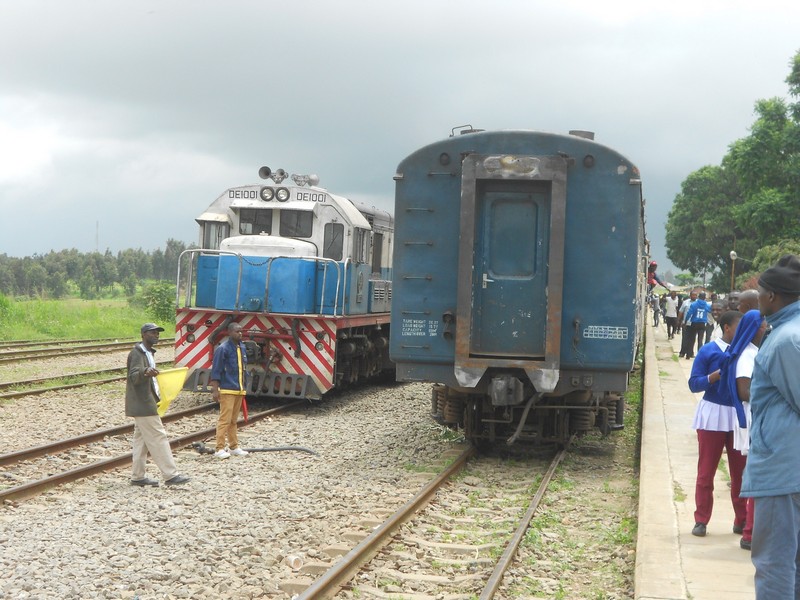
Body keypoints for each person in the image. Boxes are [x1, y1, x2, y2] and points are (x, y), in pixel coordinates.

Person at [740, 255, 800, 598]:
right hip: (790, 467)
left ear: (772, 296)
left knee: (774, 564)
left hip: (782, 469)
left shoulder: (785, 341)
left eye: (760, 292)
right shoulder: (789, 331)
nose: (757, 298)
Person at [689, 310, 744, 537]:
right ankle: (701, 519)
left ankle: (742, 520)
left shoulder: (745, 352)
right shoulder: (708, 350)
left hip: (737, 415)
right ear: (726, 328)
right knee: (706, 471)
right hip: (713, 414)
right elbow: (694, 384)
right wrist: (713, 377)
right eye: (739, 327)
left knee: (740, 473)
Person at [720, 309, 767, 551]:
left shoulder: (754, 352)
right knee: (756, 477)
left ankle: (747, 527)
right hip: (751, 419)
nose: (766, 328)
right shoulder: (747, 356)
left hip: (755, 418)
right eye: (763, 324)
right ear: (755, 328)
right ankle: (749, 532)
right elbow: (744, 391)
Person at [125, 323, 191, 486]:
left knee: (141, 441)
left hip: (146, 401)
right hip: (143, 403)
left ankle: (137, 477)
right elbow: (133, 376)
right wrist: (145, 372)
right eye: (152, 333)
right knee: (158, 436)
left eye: (157, 333)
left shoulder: (147, 353)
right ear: (143, 334)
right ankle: (170, 475)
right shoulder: (137, 353)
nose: (156, 335)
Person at [210, 322, 249, 459]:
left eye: (241, 331)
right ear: (229, 332)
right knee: (224, 420)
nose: (240, 334)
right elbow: (216, 370)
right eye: (237, 331)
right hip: (227, 389)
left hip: (239, 389)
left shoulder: (241, 347)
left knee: (233, 420)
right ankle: (219, 448)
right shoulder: (223, 349)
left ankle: (233, 446)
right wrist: (215, 390)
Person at [686, 291, 712, 358]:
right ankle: (699, 355)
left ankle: (688, 354)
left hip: (694, 323)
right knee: (700, 340)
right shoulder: (706, 305)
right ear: (704, 297)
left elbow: (689, 313)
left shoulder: (694, 304)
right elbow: (710, 311)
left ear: (698, 297)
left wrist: (686, 320)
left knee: (691, 339)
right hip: (702, 323)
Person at [679, 290, 698, 358]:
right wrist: (679, 321)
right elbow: (681, 312)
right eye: (693, 295)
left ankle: (690, 353)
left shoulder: (698, 303)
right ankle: (682, 352)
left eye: (696, 295)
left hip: (694, 324)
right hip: (686, 323)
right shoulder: (685, 302)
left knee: (692, 339)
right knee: (685, 338)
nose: (694, 296)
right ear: (690, 296)